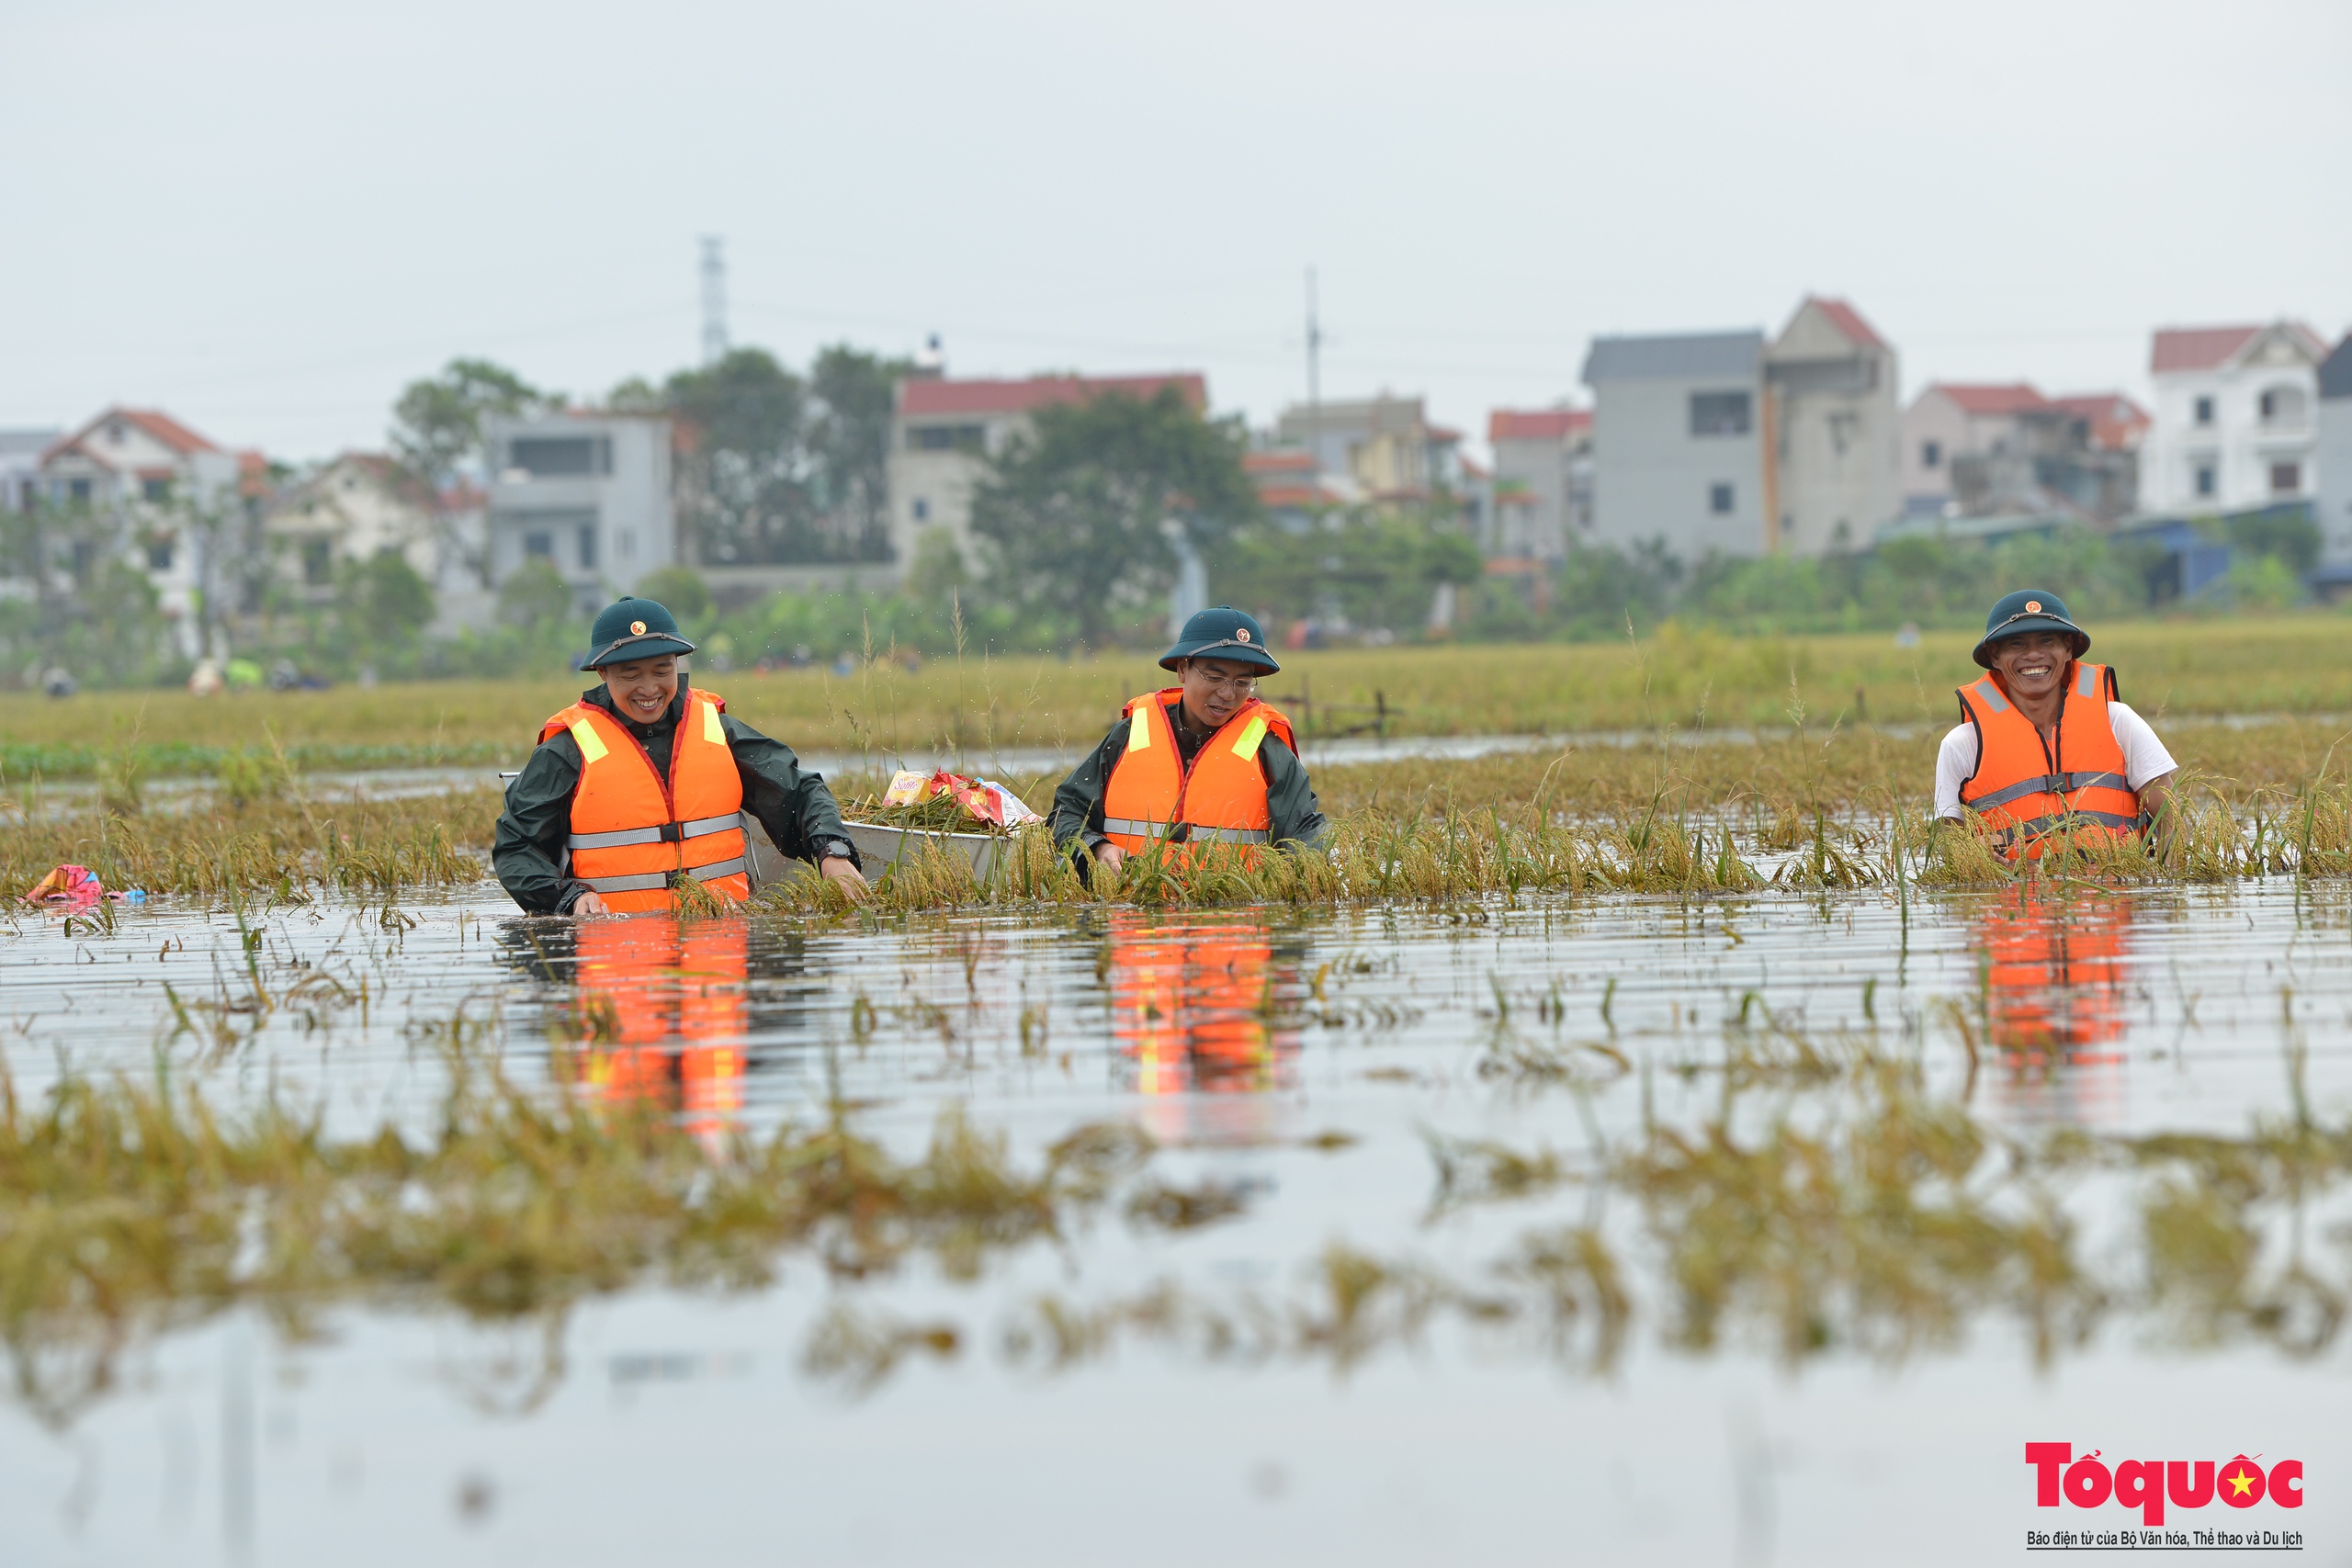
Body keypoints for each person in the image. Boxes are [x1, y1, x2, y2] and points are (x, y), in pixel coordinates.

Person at [494, 595, 868, 914]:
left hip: (722, 941)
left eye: (662, 670)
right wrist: (568, 898)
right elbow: (516, 848)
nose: (649, 688)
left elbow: (801, 793)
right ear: (603, 673)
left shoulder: (717, 731)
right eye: (630, 674)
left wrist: (832, 852)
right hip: (614, 951)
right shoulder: (566, 750)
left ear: (678, 664)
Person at [1051, 605, 1327, 874]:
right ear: (1183, 669)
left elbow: (1306, 833)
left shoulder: (1268, 748)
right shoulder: (1129, 734)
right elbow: (1066, 813)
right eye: (1214, 677)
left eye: (1242, 683)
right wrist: (1097, 848)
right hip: (1131, 908)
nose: (1228, 694)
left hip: (1233, 909)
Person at [1937, 589, 2177, 858]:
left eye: (2047, 641)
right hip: (2013, 895)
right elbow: (1950, 845)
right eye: (2016, 644)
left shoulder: (2118, 721)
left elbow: (2172, 825)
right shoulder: (1963, 743)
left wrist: (2165, 888)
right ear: (1994, 657)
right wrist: (1979, 859)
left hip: (2119, 891)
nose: (2033, 655)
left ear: (2068, 649)